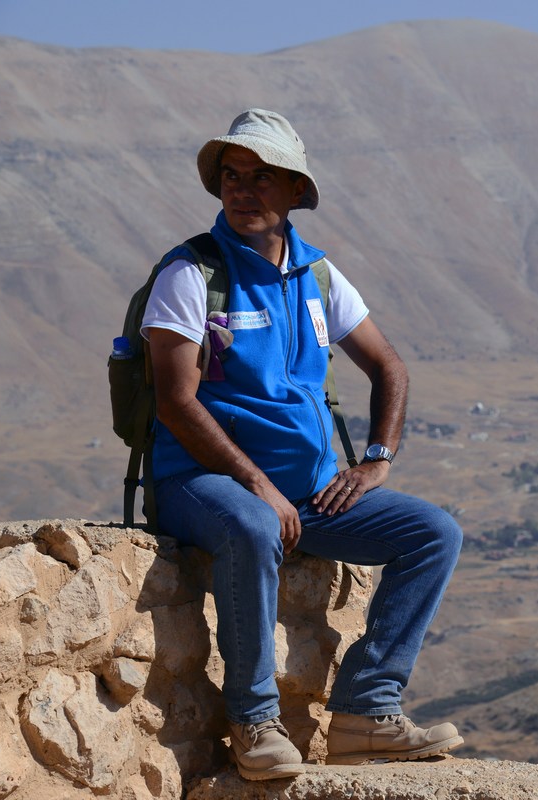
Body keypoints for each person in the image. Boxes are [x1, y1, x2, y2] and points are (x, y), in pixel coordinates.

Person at [141, 108, 464, 780]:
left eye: (261, 176)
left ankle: (366, 712)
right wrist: (257, 484)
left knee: (433, 533)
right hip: (199, 484)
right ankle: (254, 721)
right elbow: (175, 401)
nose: (243, 188)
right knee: (254, 524)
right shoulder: (191, 274)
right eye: (232, 175)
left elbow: (389, 366)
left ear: (295, 191)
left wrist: (375, 460)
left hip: (308, 495)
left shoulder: (317, 277)